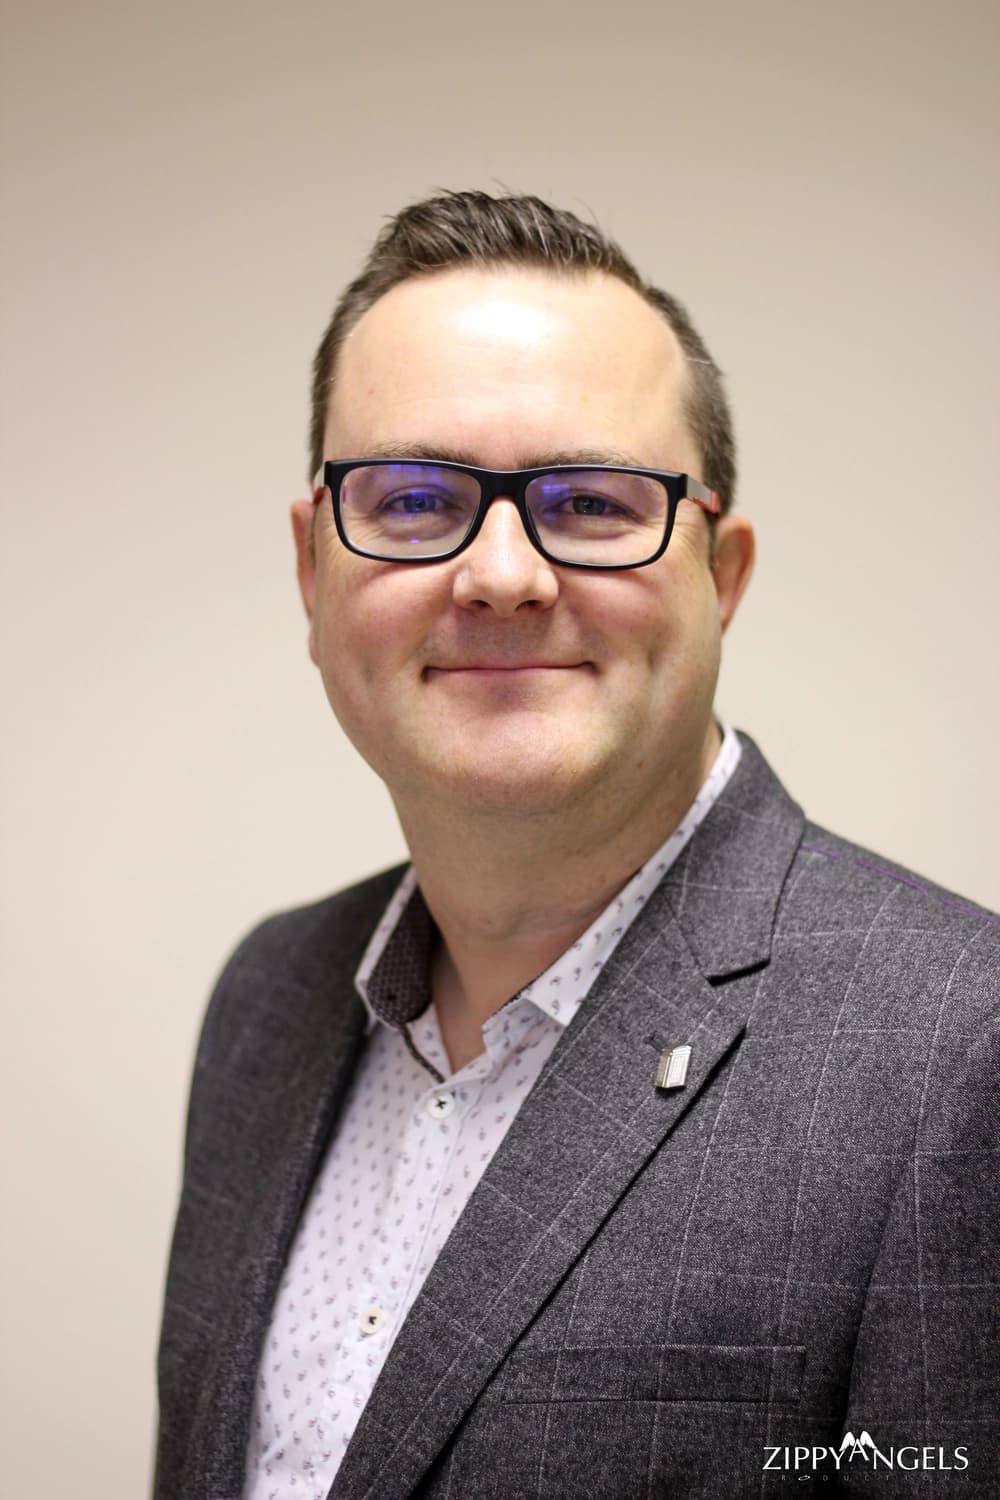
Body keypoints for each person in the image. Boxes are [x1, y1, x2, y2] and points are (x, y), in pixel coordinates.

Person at [155, 191, 999, 1500]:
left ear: (721, 576)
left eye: (593, 503)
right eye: (416, 497)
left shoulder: (961, 1051)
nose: (501, 574)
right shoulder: (266, 999)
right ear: (312, 569)